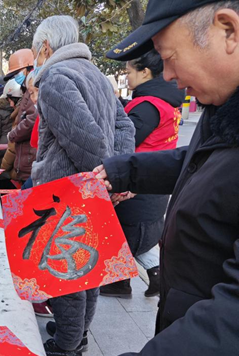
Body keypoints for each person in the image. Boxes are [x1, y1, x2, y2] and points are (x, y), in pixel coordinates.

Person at [85, 2, 239, 356]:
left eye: (170, 57)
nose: (166, 74)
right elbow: (196, 163)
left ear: (227, 30)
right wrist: (123, 170)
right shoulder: (223, 113)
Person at [29, 15, 135, 356]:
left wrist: (110, 175)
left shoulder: (57, 77)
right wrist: (118, 169)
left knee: (65, 269)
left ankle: (69, 343)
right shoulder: (97, 76)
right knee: (87, 265)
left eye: (34, 53)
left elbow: (83, 138)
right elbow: (124, 125)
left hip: (67, 187)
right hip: (91, 186)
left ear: (45, 47)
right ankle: (77, 333)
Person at [100, 49, 185, 299]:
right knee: (127, 236)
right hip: (153, 184)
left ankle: (122, 282)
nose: (126, 78)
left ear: (145, 72)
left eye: (128, 72)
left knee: (122, 234)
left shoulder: (147, 106)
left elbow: (126, 142)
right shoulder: (165, 104)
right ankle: (123, 282)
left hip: (137, 185)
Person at [2, 49, 36, 185]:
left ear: (29, 68)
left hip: (29, 160)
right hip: (24, 160)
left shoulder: (32, 92)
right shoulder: (26, 92)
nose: (16, 77)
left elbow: (31, 120)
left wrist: (13, 134)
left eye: (17, 73)